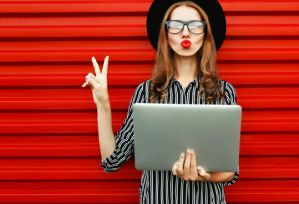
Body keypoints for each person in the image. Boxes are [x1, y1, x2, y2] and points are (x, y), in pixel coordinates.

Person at [82, 0, 240, 203]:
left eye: (195, 25)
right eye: (176, 26)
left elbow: (230, 171)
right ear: (165, 35)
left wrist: (206, 176)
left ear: (205, 34)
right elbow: (112, 162)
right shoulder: (146, 92)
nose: (185, 33)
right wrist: (103, 104)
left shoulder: (224, 92)